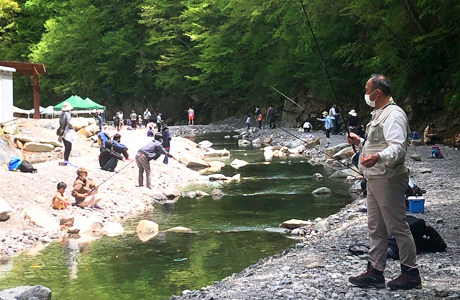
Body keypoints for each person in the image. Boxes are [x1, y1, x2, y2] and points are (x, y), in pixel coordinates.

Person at [347, 74, 421, 290]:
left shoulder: (394, 115)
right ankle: (376, 272)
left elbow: (397, 147)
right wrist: (360, 142)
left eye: (367, 89)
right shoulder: (379, 113)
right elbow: (379, 142)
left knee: (397, 226)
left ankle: (411, 273)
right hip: (374, 177)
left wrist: (377, 157)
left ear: (377, 92)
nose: (366, 94)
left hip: (388, 178)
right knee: (375, 227)